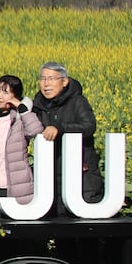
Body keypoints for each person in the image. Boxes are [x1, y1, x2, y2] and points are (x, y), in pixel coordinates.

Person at [31, 62, 104, 216]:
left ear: (64, 81)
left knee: (83, 229)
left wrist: (60, 128)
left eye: (51, 79)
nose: (46, 84)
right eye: (43, 79)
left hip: (80, 175)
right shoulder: (39, 105)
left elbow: (89, 126)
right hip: (51, 176)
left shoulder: (77, 101)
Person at [0, 75, 44, 216]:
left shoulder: (19, 120)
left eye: (5, 92)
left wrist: (20, 106)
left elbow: (36, 130)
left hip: (14, 182)